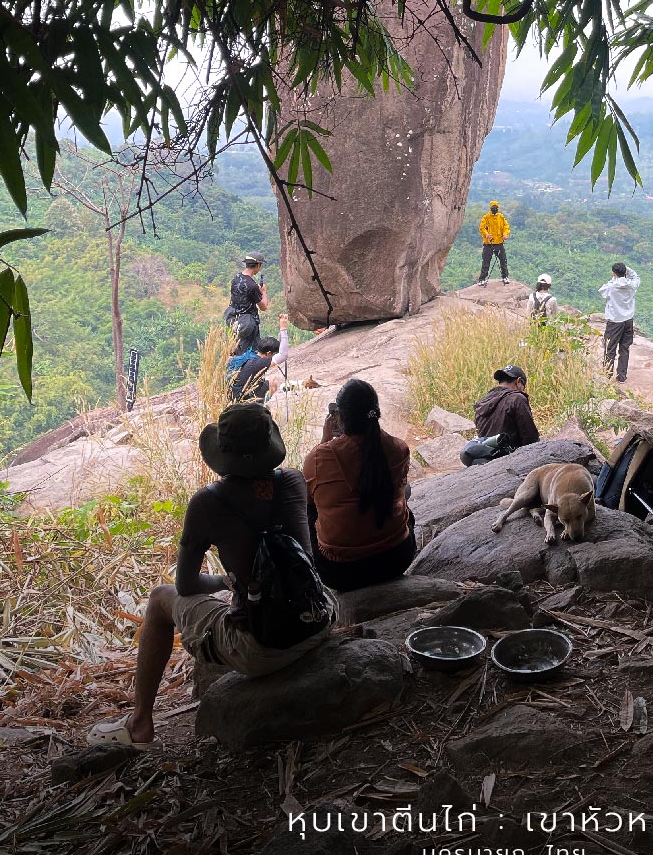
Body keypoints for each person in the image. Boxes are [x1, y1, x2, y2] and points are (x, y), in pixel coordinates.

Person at [87, 403, 334, 748]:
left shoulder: (207, 502)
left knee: (160, 599)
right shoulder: (292, 481)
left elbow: (186, 585)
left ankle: (140, 723)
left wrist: (225, 581)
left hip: (263, 647)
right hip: (318, 619)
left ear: (224, 455)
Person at [302, 379, 416, 592]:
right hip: (397, 558)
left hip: (341, 573)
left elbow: (309, 498)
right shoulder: (399, 448)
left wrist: (325, 441)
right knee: (403, 492)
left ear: (340, 416)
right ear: (376, 412)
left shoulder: (320, 458)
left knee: (309, 508)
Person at [460, 364, 540, 466]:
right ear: (518, 381)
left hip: (484, 457)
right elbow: (530, 438)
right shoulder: (517, 398)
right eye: (523, 387)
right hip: (510, 460)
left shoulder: (482, 403)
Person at [227, 313, 290, 403]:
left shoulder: (252, 354)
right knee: (273, 383)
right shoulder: (259, 363)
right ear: (269, 353)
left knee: (271, 381)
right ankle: (262, 405)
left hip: (234, 393)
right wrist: (283, 328)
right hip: (243, 397)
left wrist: (281, 327)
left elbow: (280, 351)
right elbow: (283, 355)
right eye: (274, 354)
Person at [600, 261, 640, 383]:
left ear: (614, 273)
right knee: (624, 348)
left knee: (610, 348)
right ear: (625, 272)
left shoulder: (611, 287)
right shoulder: (632, 285)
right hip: (628, 321)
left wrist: (614, 278)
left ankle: (607, 375)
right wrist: (626, 269)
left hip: (614, 321)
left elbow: (602, 291)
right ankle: (622, 376)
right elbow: (635, 276)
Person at [224, 252, 268, 353]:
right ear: (258, 265)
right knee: (250, 352)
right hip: (248, 324)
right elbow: (264, 306)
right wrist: (263, 292)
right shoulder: (252, 285)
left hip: (234, 320)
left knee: (236, 349)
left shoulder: (236, 278)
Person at [477, 201, 511, 284]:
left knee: (503, 260)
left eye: (496, 208)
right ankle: (482, 279)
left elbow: (506, 226)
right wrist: (486, 234)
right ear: (490, 208)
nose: (494, 209)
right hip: (489, 244)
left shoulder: (501, 217)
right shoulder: (486, 217)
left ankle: (505, 277)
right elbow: (482, 228)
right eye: (493, 208)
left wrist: (505, 234)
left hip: (499, 243)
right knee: (486, 261)